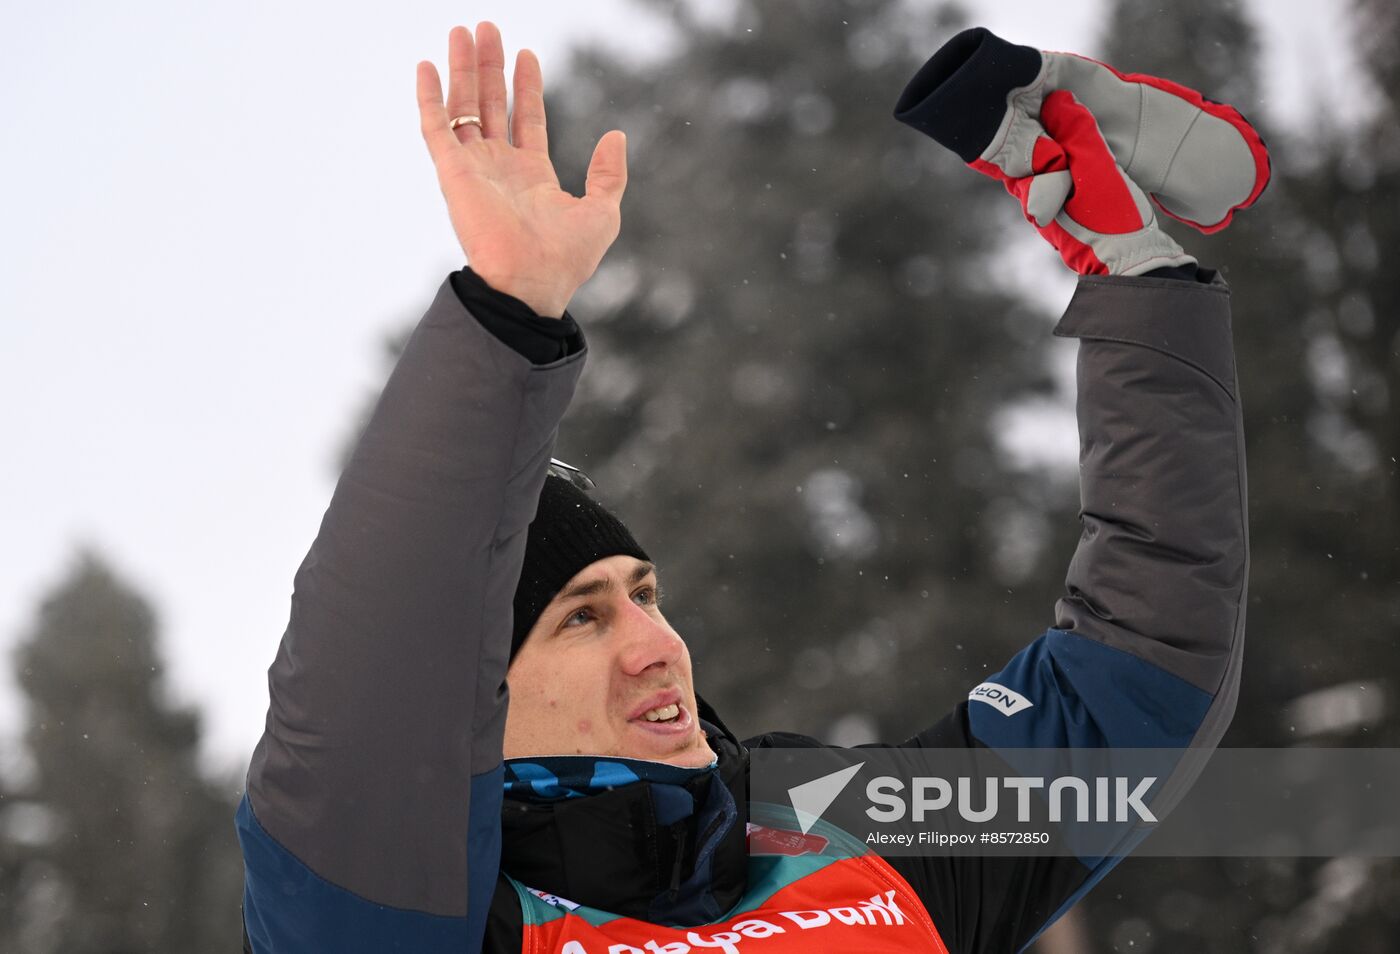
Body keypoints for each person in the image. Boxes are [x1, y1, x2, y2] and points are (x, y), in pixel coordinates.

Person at [236, 20, 1266, 954]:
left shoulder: (836, 832)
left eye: (643, 595)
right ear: (474, 701)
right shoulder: (419, 922)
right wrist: (505, 314)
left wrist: (1141, 289)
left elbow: (1131, 683)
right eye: (579, 619)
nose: (655, 645)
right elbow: (366, 704)